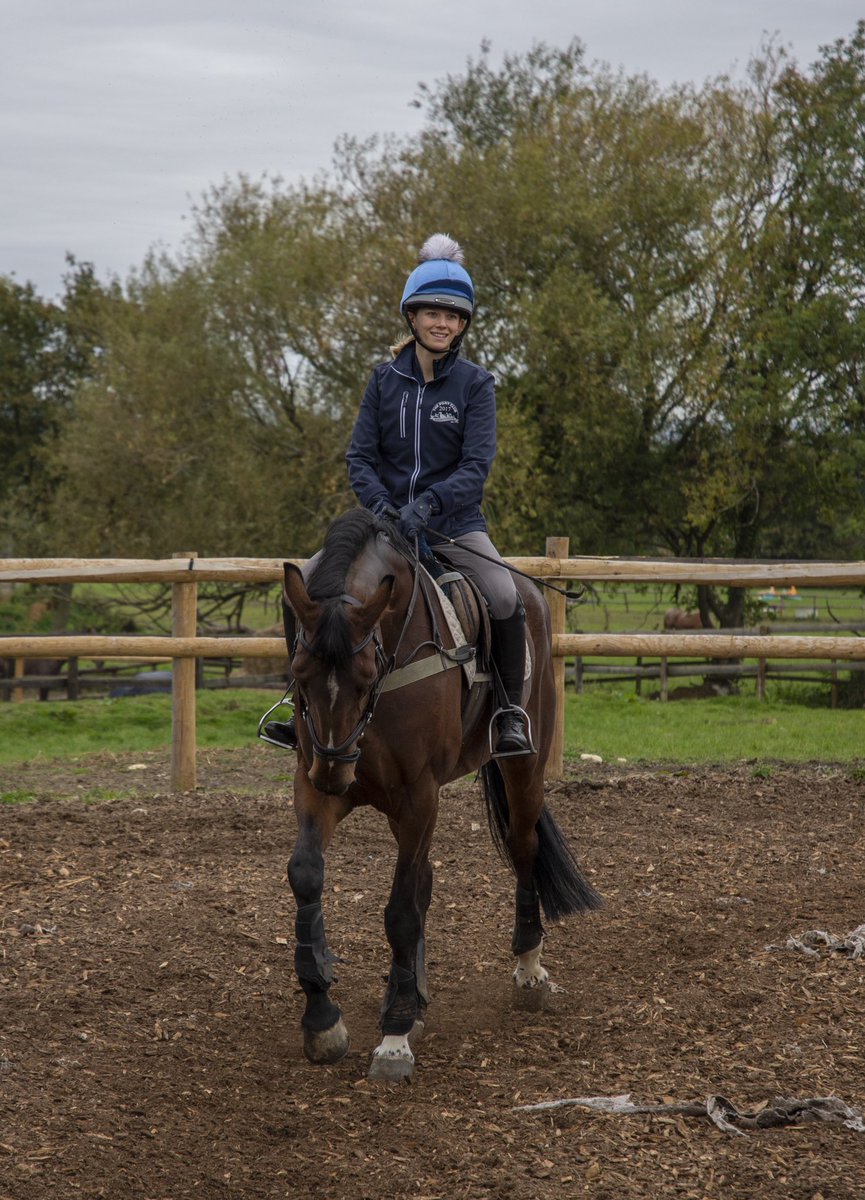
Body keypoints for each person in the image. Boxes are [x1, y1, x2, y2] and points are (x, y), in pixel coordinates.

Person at [263, 233, 533, 757]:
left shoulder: (476, 385)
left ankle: (508, 714)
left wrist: (427, 506)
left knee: (504, 595)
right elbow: (359, 457)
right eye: (433, 312)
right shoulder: (383, 380)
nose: (443, 323)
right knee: (305, 582)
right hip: (382, 526)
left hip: (453, 525)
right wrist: (383, 507)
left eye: (454, 316)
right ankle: (298, 706)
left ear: (463, 326)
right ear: (412, 317)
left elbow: (475, 467)